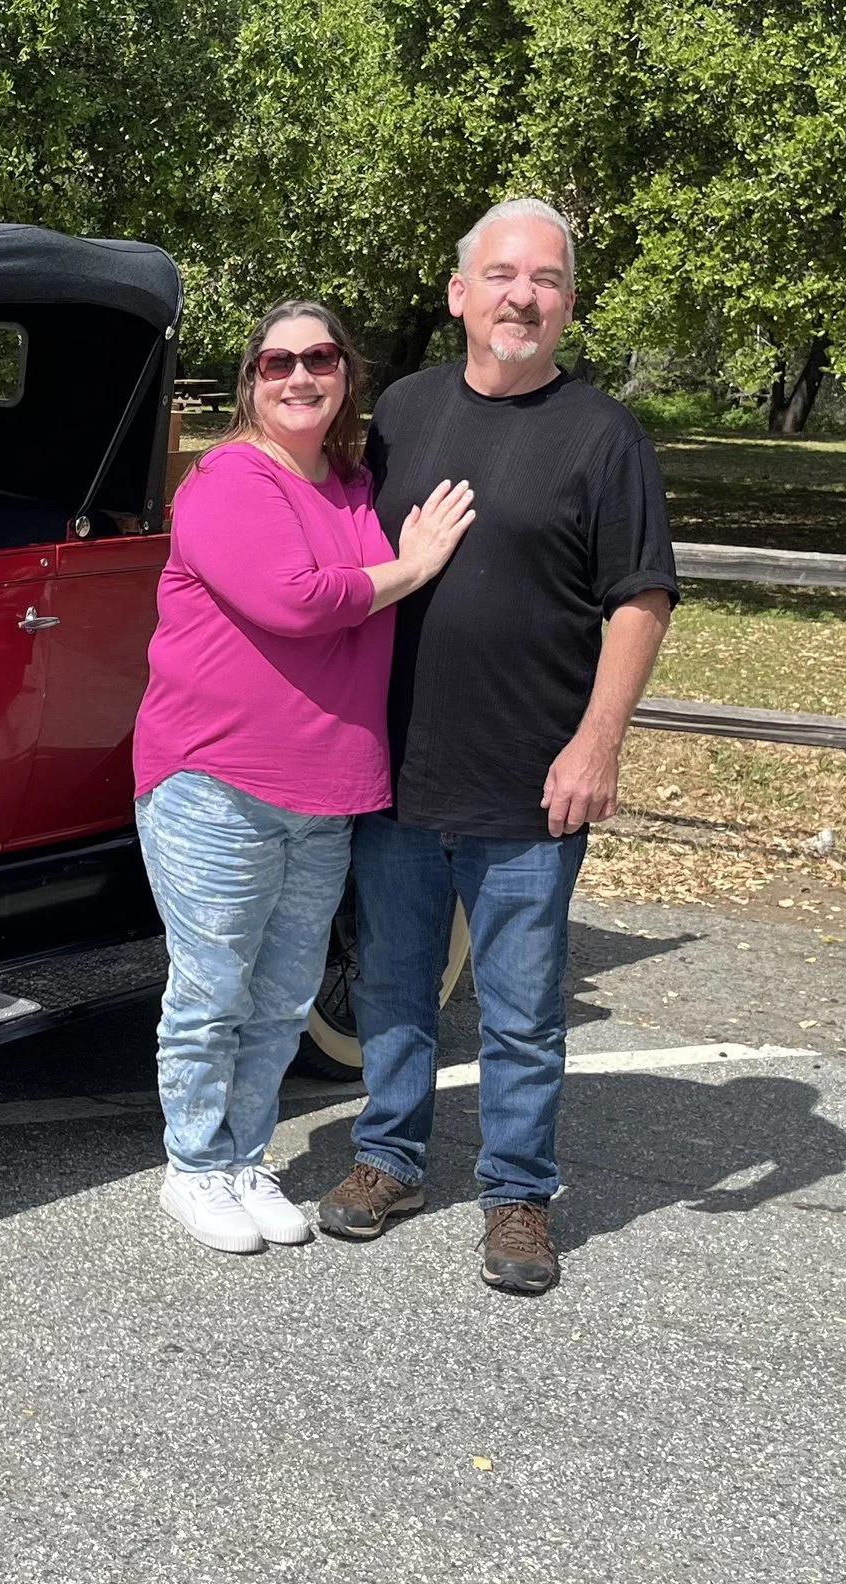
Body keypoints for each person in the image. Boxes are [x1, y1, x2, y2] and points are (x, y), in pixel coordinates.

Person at [315, 198, 680, 1294]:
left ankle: (518, 1192)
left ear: (567, 303)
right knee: (392, 981)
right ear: (459, 293)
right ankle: (389, 1156)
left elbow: (641, 598)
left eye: (548, 280)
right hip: (397, 765)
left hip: (533, 775)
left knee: (519, 1006)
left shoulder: (603, 434)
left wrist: (596, 743)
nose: (525, 296)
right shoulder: (403, 412)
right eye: (505, 275)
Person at [135, 300, 475, 1254]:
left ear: (345, 376)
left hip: (327, 789)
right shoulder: (228, 481)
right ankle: (194, 1167)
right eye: (277, 361)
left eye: (319, 358)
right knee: (212, 989)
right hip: (216, 783)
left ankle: (245, 1156)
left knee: (284, 995)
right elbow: (296, 601)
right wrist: (412, 568)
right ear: (251, 380)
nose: (298, 376)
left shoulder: (353, 486)